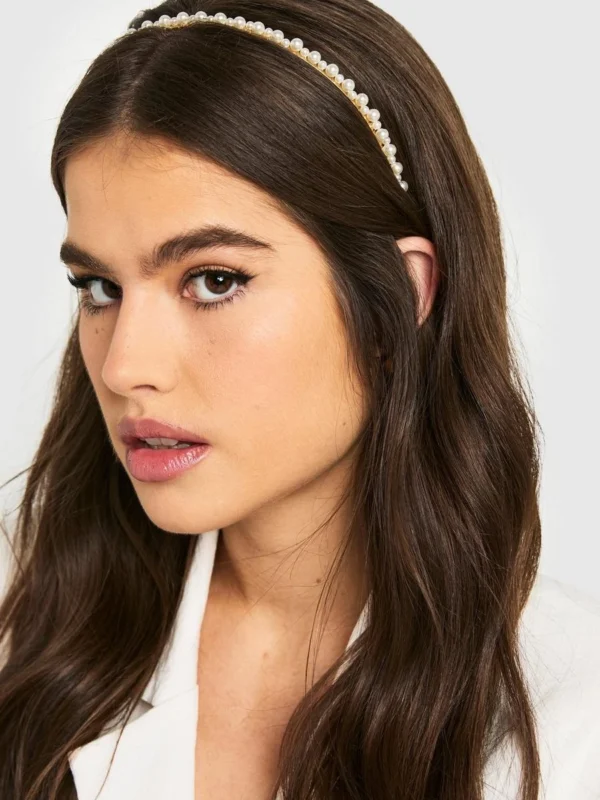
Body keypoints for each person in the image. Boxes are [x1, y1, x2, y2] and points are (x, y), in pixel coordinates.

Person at [0, 1, 599, 798]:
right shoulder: (20, 613)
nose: (123, 367)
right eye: (99, 287)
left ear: (399, 298)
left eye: (214, 280)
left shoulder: (572, 717)